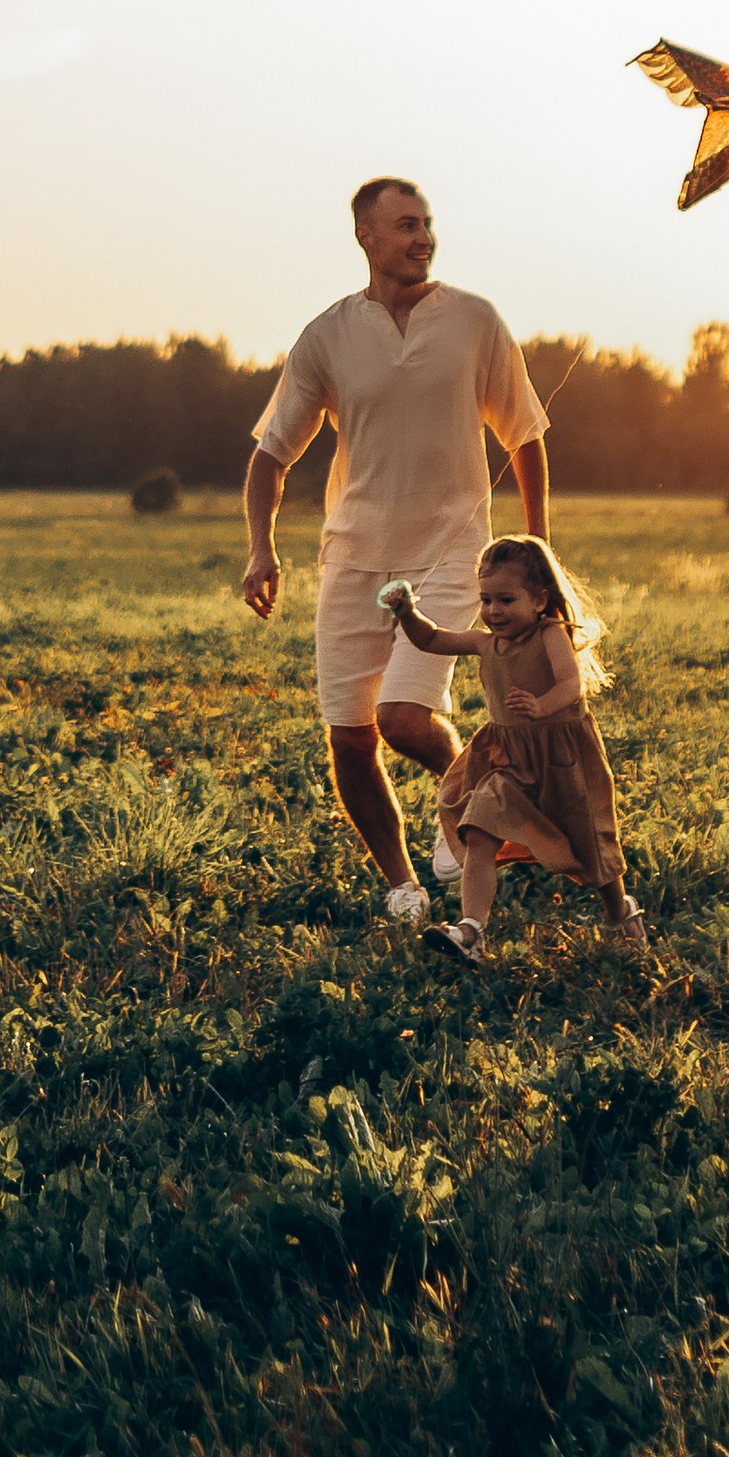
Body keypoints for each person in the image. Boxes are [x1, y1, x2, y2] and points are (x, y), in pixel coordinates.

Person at [240, 177, 550, 924]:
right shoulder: (327, 336)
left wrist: (537, 544)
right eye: (406, 225)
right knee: (350, 737)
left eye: (428, 225)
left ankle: (484, 803)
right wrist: (261, 551)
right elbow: (270, 456)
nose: (423, 238)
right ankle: (403, 885)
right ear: (366, 236)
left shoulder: (475, 321)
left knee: (404, 718)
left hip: (450, 552)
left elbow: (526, 435)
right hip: (354, 556)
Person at [380, 537, 643, 962]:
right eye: (486, 600)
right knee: (478, 826)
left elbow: (571, 685)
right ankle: (471, 930)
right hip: (508, 759)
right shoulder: (487, 643)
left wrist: (542, 706)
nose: (493, 611)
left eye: (506, 600)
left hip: (562, 759)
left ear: (540, 600)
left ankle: (620, 909)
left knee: (590, 851)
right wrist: (406, 611)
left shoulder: (551, 635)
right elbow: (431, 639)